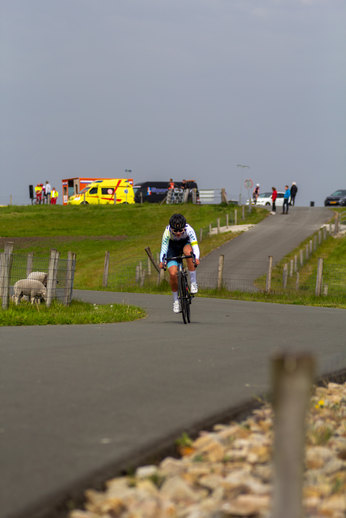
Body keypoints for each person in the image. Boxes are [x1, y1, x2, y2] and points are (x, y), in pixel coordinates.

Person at [159, 213, 200, 314]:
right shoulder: (167, 231)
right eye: (175, 231)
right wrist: (162, 261)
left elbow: (195, 245)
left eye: (180, 230)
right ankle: (176, 301)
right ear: (171, 228)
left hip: (185, 244)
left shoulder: (189, 229)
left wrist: (196, 258)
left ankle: (193, 282)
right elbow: (164, 248)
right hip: (172, 248)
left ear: (184, 228)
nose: (178, 233)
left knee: (188, 253)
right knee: (173, 274)